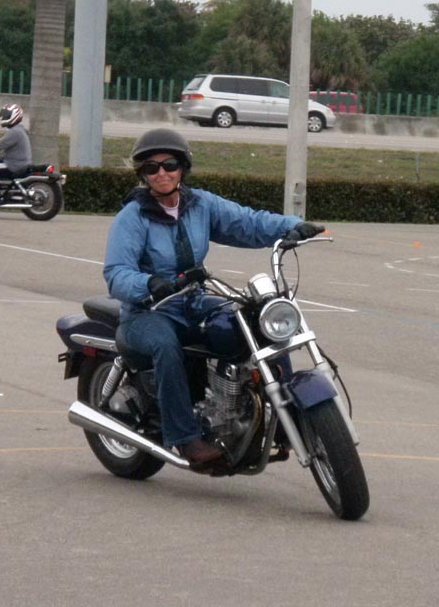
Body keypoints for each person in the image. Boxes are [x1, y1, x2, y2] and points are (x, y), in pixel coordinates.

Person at [102, 128, 324, 471]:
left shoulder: (200, 205)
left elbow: (248, 223)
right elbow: (116, 273)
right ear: (142, 174)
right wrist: (150, 283)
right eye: (151, 167)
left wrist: (292, 227)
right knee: (165, 346)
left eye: (169, 164)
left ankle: (285, 412)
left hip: (193, 302)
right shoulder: (133, 217)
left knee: (259, 321)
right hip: (148, 311)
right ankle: (186, 438)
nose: (161, 173)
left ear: (182, 167)